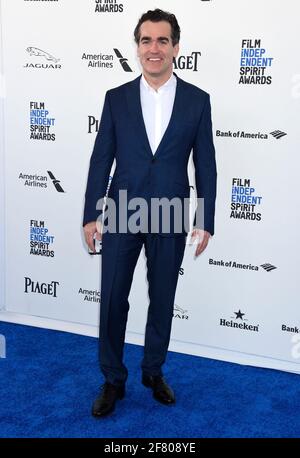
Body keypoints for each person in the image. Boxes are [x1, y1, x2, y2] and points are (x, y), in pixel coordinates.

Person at [83, 8, 217, 417]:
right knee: (112, 300)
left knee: (162, 298)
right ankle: (112, 380)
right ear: (137, 46)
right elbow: (100, 158)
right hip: (122, 210)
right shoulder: (116, 98)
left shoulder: (197, 100)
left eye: (162, 40)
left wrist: (205, 219)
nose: (153, 48)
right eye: (146, 40)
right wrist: (91, 214)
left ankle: (153, 371)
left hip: (172, 211)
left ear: (176, 47)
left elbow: (206, 163)